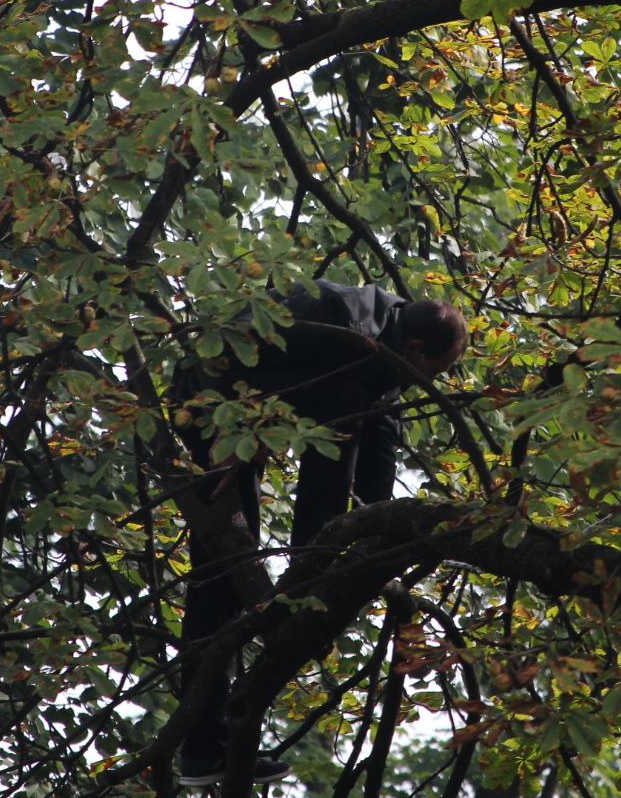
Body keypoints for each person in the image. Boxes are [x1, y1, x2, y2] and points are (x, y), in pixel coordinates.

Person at [172, 282, 469, 787]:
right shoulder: (346, 331)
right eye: (432, 374)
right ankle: (201, 748)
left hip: (272, 397)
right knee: (219, 576)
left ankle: (315, 562)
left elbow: (377, 447)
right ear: (417, 350)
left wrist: (385, 531)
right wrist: (232, 438)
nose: (427, 384)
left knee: (362, 406)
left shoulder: (389, 352)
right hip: (211, 397)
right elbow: (223, 354)